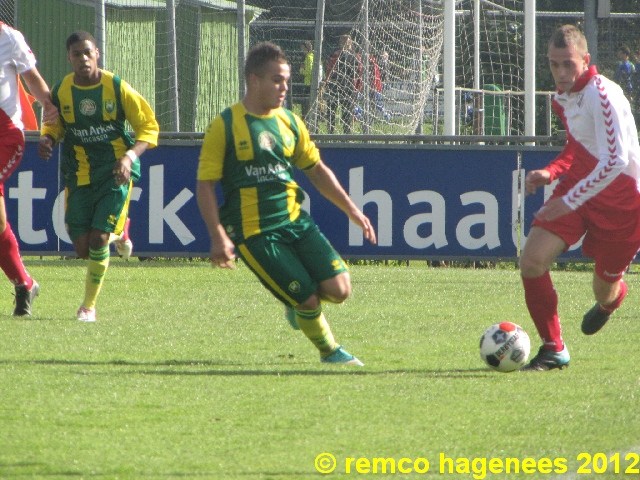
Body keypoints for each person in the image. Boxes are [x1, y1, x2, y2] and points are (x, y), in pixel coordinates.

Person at [196, 41, 376, 365]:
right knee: (308, 300)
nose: (284, 88)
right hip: (255, 232)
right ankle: (330, 352)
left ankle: (295, 303)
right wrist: (217, 235)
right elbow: (205, 185)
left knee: (340, 290)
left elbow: (317, 171)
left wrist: (352, 209)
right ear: (254, 80)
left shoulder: (291, 122)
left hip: (294, 221)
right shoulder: (224, 125)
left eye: (287, 81)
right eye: (277, 80)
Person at [519, 25, 640, 371]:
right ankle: (553, 348)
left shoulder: (604, 95)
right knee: (531, 261)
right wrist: (552, 172)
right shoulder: (563, 97)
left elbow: (615, 160)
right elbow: (577, 146)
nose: (560, 73)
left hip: (621, 205)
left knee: (603, 290)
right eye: (554, 64)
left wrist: (569, 200)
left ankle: (610, 302)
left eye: (568, 65)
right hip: (578, 190)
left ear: (586, 61)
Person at [38, 31, 159, 322]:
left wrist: (129, 157)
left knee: (98, 239)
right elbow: (53, 125)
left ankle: (88, 307)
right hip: (78, 174)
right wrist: (47, 140)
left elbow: (149, 126)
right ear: (69, 58)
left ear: (97, 54)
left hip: (115, 173)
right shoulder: (61, 91)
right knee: (82, 248)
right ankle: (122, 231)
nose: (83, 59)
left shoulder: (117, 88)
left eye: (87, 53)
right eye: (76, 54)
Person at [0, 22, 58, 316]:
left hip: (6, 136)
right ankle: (24, 284)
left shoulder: (8, 37)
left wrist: (49, 106)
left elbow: (32, 79)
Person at [324, 34, 362, 134]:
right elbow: (359, 72)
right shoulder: (354, 55)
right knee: (339, 111)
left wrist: (327, 81)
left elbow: (329, 69)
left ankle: (333, 133)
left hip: (339, 85)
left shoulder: (338, 54)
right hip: (344, 86)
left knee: (336, 111)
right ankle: (343, 135)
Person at [298, 40, 314, 118]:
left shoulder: (308, 58)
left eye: (303, 49)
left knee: (306, 105)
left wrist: (301, 70)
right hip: (311, 83)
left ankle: (306, 119)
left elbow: (309, 71)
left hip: (308, 83)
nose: (302, 51)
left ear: (306, 48)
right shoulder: (314, 56)